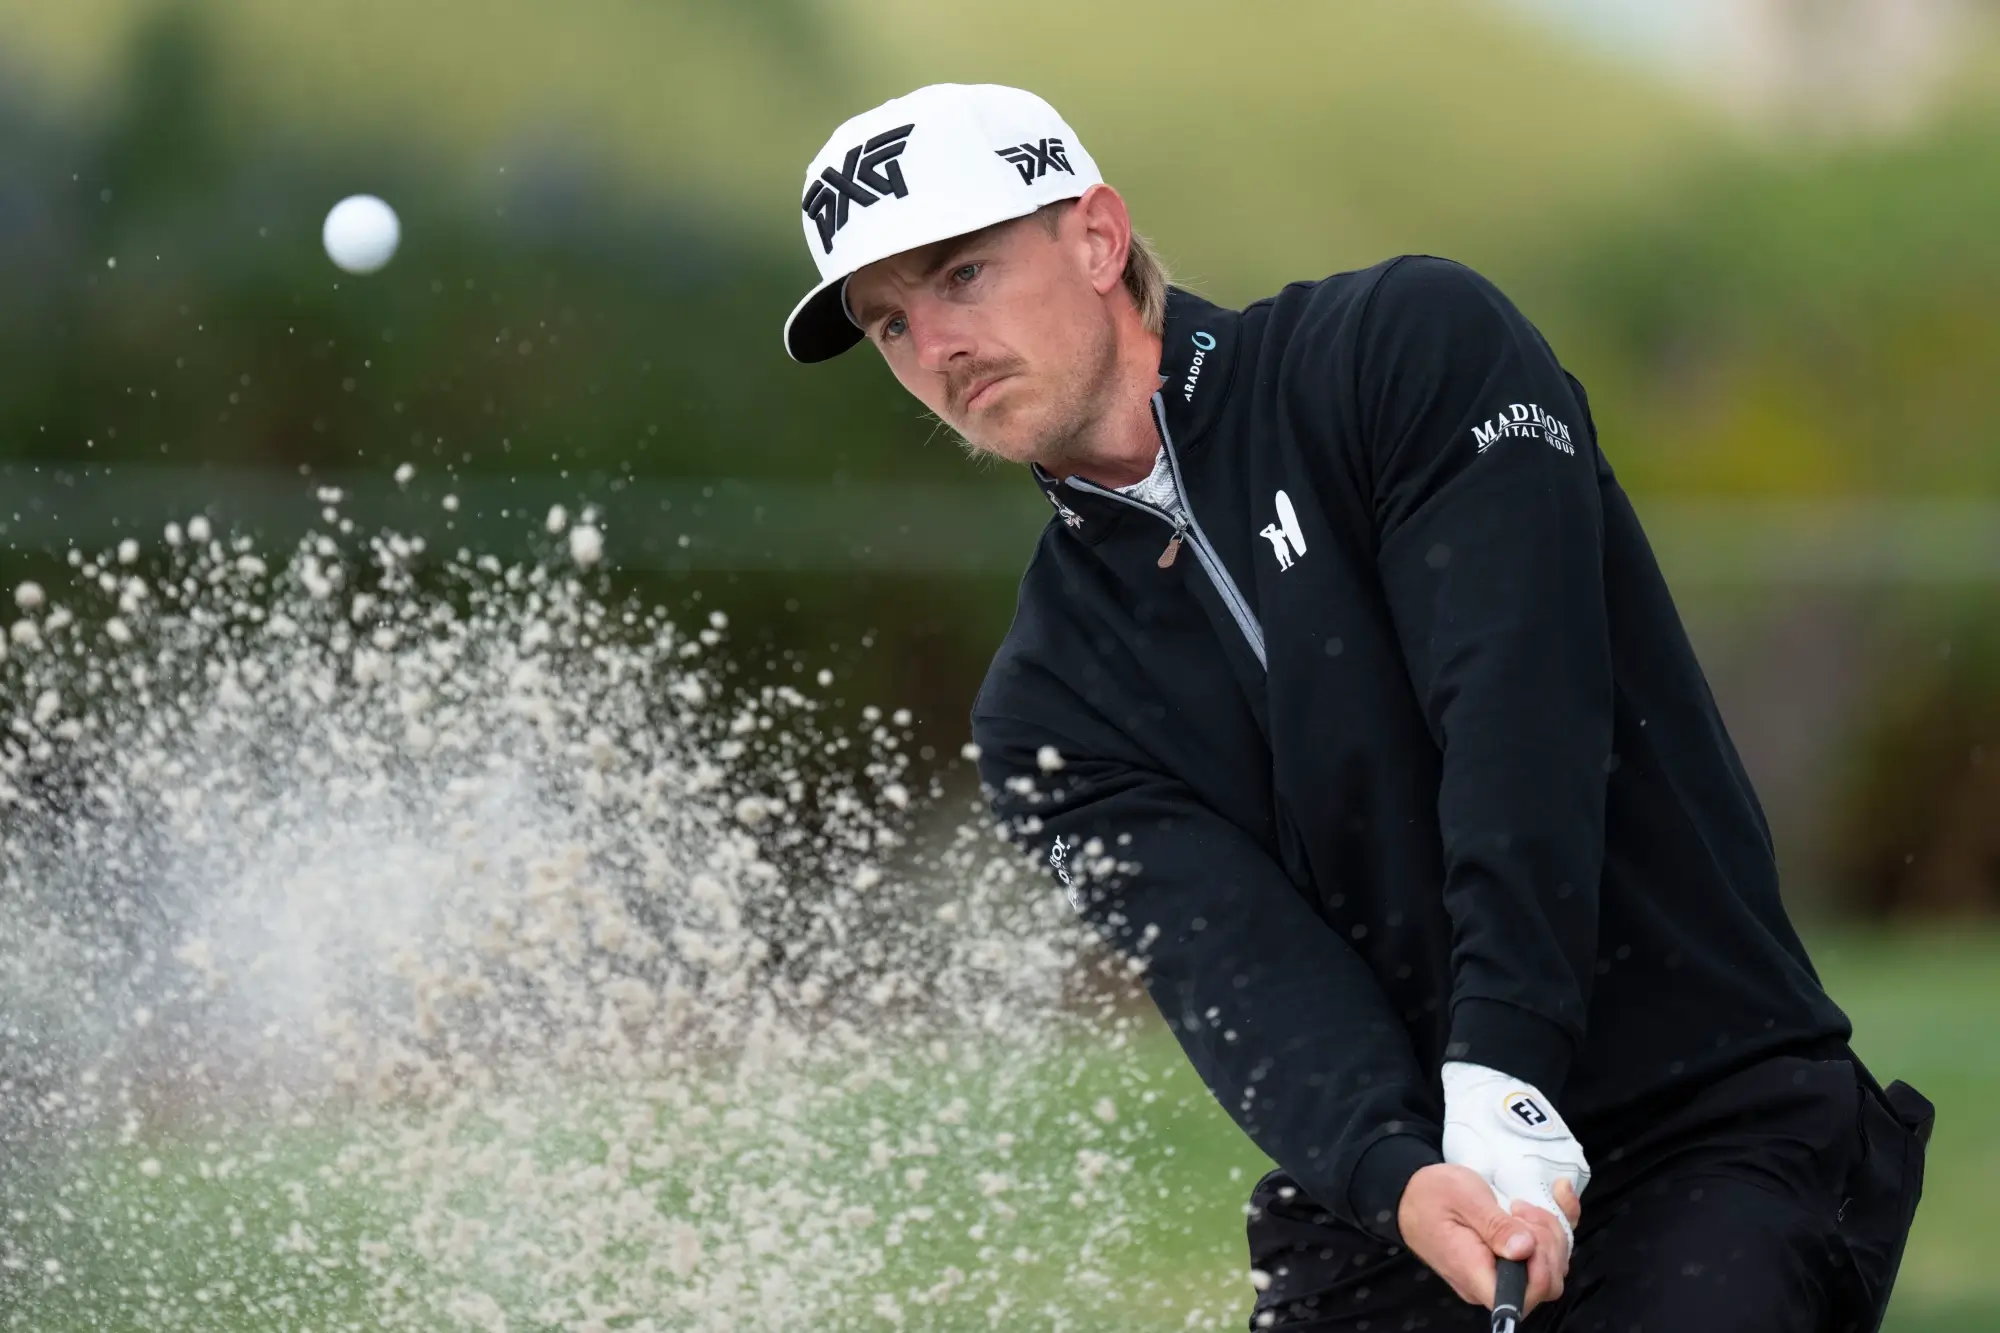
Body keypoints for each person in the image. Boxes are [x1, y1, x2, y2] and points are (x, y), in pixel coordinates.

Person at [782, 82, 1934, 1331]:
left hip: (1702, 1112)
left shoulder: (1402, 350)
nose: (935, 348)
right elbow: (1239, 975)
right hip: (1401, 1203)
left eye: (962, 275)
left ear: (1097, 237)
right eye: (889, 323)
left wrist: (1503, 1071)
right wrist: (1395, 1176)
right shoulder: (1044, 707)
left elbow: (1518, 717)